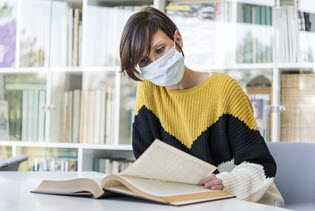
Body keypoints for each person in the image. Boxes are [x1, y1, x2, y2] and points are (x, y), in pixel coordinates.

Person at [119, 6, 284, 207]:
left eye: (160, 49)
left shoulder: (225, 90)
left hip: (245, 201)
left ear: (178, 40)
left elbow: (260, 166)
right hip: (190, 203)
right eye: (145, 60)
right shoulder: (148, 93)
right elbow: (147, 166)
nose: (156, 62)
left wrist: (224, 183)